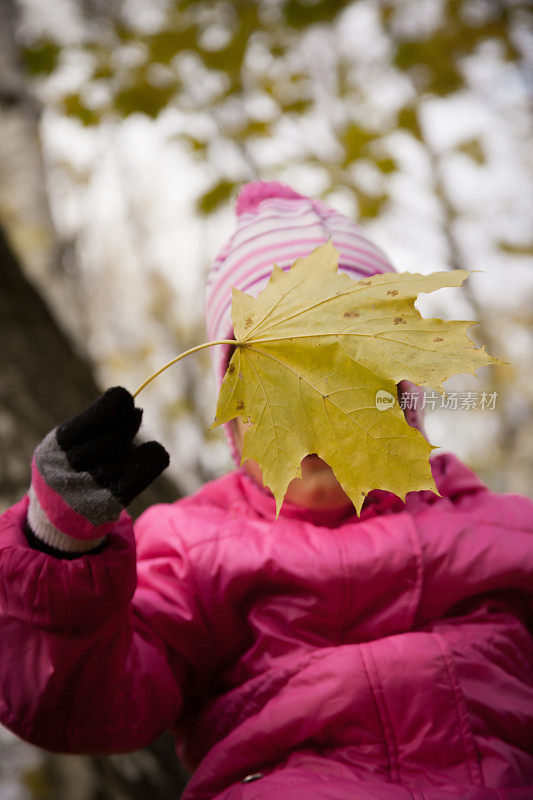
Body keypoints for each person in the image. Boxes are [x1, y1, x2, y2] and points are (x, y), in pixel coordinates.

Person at [0, 181, 532, 800]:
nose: (313, 417)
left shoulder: (504, 529)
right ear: (234, 415)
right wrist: (61, 554)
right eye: (274, 388)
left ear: (404, 386)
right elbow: (93, 702)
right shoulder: (196, 547)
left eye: (346, 374)